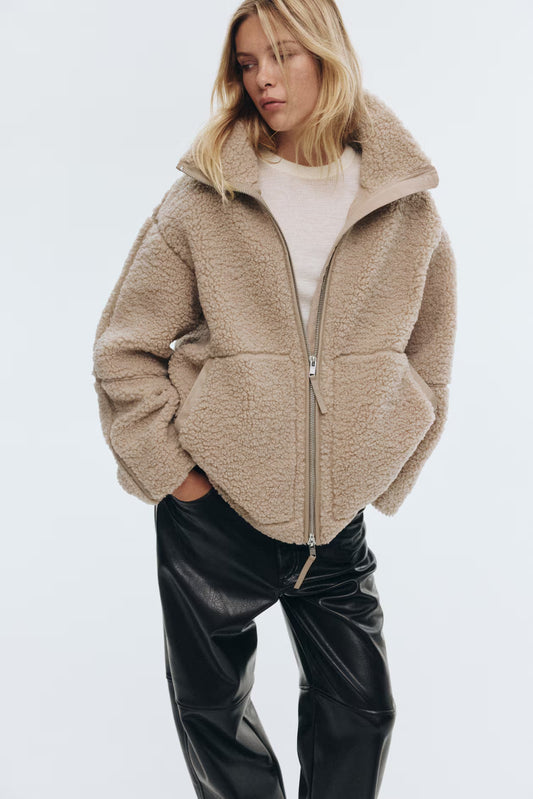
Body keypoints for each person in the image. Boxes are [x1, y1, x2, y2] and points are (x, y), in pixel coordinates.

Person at [92, 1, 457, 796]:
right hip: (213, 516)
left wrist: (382, 466)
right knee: (212, 715)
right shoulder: (204, 198)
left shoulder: (402, 202)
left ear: (327, 53)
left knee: (363, 713)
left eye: (282, 55)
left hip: (334, 526)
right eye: (247, 62)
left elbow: (428, 357)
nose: (262, 78)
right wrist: (179, 480)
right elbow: (124, 348)